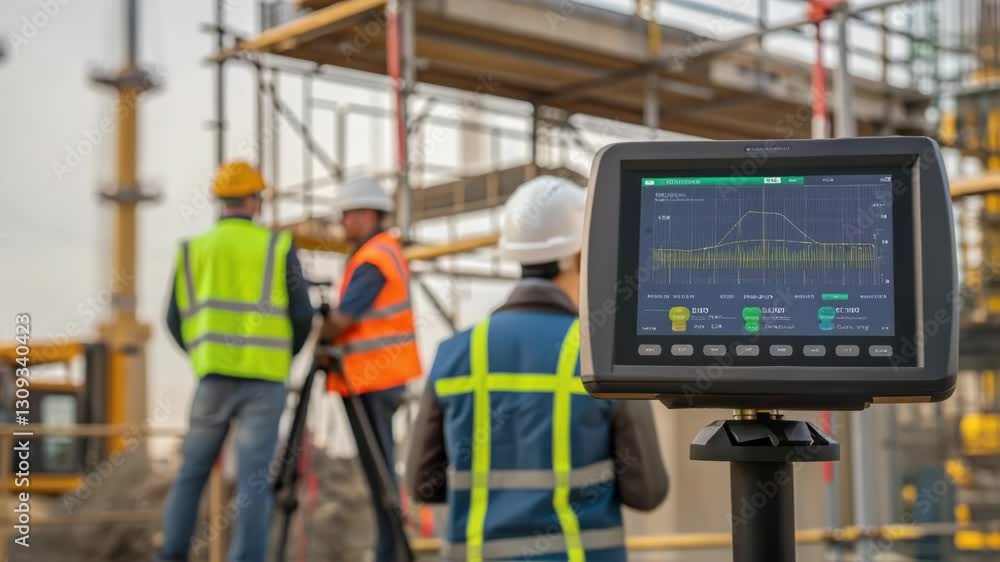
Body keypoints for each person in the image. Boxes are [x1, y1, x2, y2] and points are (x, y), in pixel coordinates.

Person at [406, 176, 669, 562]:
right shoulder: (602, 354)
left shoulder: (454, 355)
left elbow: (422, 486)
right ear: (581, 257)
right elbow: (647, 491)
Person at [159, 161, 314, 562]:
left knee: (192, 472)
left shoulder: (194, 250)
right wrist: (284, 355)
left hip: (212, 378)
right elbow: (302, 316)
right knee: (253, 481)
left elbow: (172, 319)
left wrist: (203, 354)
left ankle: (171, 555)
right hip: (265, 380)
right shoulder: (278, 247)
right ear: (253, 200)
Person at [321, 176, 422, 562]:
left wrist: (322, 332)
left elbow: (345, 317)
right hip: (375, 378)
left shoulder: (374, 258)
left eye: (347, 215)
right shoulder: (382, 252)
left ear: (366, 214)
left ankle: (390, 551)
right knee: (381, 475)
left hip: (372, 379)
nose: (343, 223)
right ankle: (389, 548)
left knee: (381, 478)